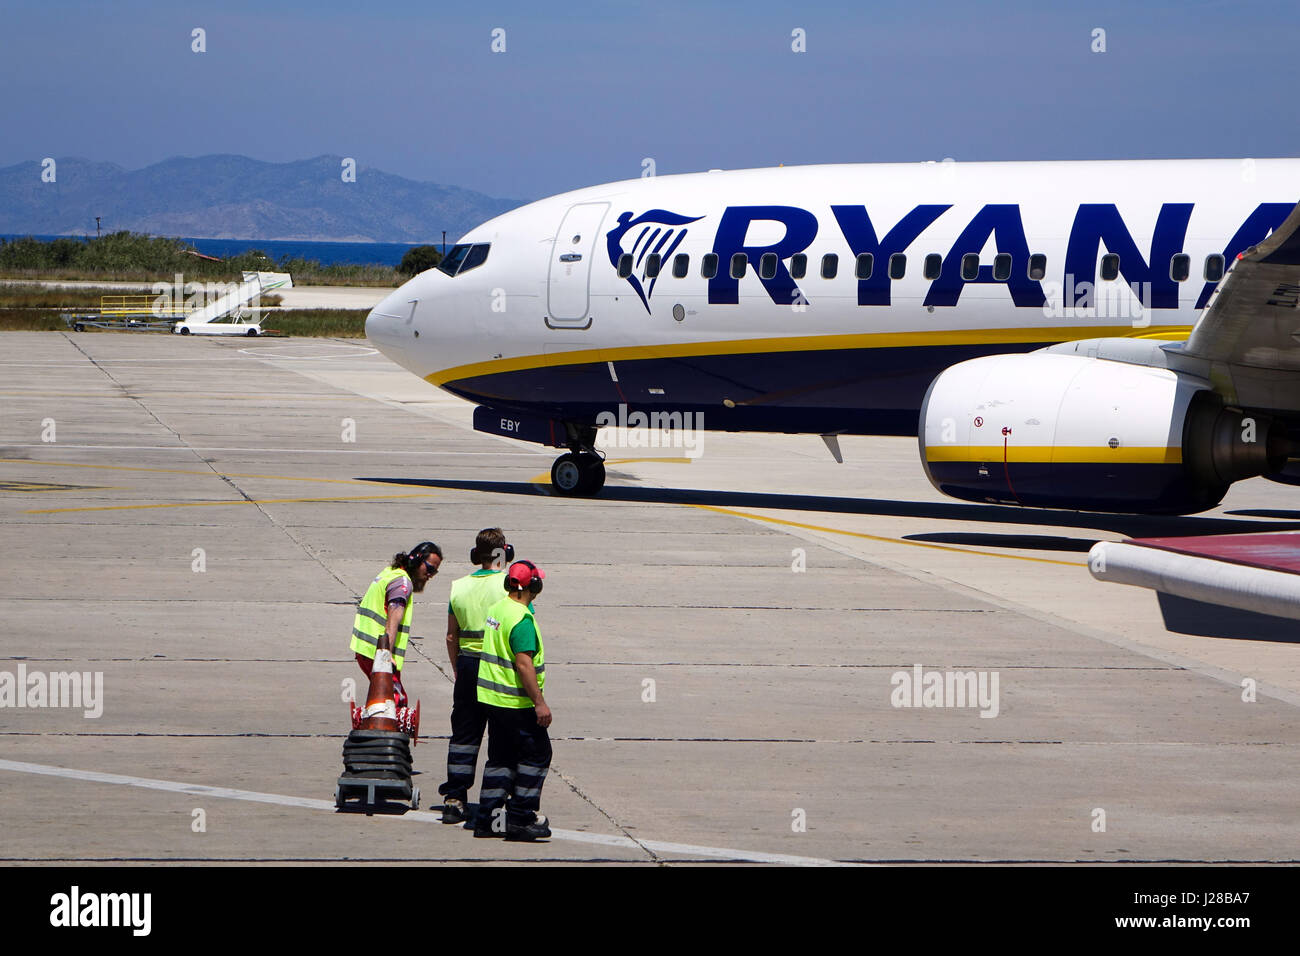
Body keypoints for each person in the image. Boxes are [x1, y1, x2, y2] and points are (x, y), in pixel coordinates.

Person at [438, 528, 513, 824]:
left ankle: (454, 797)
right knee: (501, 734)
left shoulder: (458, 586)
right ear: (503, 553)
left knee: (465, 734)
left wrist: (459, 669)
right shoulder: (509, 586)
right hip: (498, 668)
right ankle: (493, 801)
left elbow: (449, 636)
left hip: (468, 666)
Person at [474, 560, 552, 842]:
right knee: (538, 755)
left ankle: (488, 819)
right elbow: (524, 665)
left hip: (492, 700)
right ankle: (520, 816)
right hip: (516, 704)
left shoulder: (497, 610)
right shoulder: (522, 619)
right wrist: (539, 703)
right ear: (532, 586)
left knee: (501, 759)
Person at [350, 541, 442, 712]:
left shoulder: (390, 573)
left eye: (434, 572)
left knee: (380, 699)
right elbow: (394, 616)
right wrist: (386, 654)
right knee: (396, 702)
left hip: (365, 650)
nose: (430, 575)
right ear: (416, 560)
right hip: (377, 653)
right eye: (429, 569)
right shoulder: (402, 584)